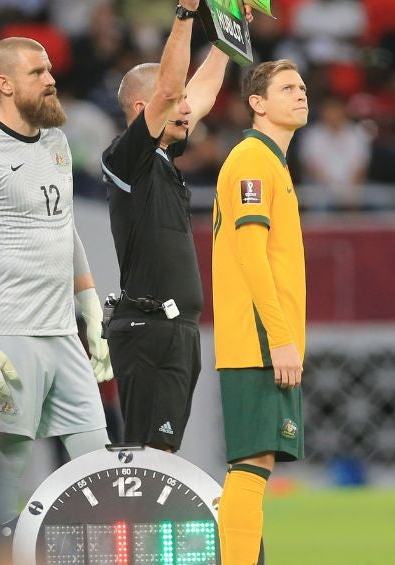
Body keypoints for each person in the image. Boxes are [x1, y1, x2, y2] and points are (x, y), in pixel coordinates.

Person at [0, 36, 114, 528]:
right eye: (37, 72)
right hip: (14, 332)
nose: (51, 79)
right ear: (4, 84)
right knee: (10, 459)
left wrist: (90, 311)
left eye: (49, 71)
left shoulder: (59, 143)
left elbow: (67, 231)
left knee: (96, 454)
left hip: (64, 332)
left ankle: (101, 553)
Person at [100, 1, 251, 452]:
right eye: (176, 101)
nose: (190, 108)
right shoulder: (125, 159)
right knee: (148, 456)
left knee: (162, 453)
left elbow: (196, 93)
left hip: (176, 327)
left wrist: (229, 30)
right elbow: (171, 90)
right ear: (146, 107)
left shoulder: (163, 157)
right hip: (147, 329)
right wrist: (185, 15)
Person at [212, 59, 309, 564]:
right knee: (251, 464)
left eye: (302, 86)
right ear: (257, 103)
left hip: (263, 339)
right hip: (258, 339)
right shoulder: (252, 159)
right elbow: (251, 255)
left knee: (257, 464)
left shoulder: (270, 161)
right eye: (288, 87)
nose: (301, 93)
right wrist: (281, 337)